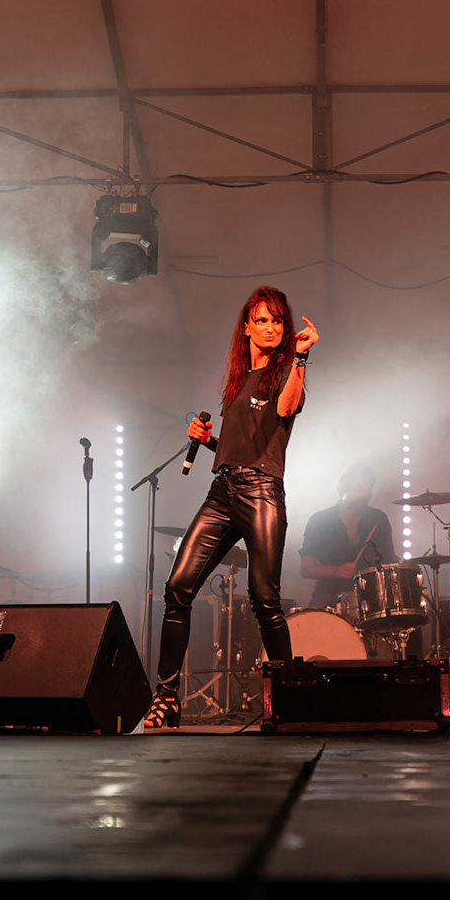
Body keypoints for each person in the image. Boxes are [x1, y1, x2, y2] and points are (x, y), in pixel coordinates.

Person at [145, 287, 317, 729]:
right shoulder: (237, 381)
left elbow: (287, 407)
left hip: (262, 492)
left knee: (264, 599)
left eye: (278, 321)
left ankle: (287, 701)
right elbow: (239, 447)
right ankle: (166, 700)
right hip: (223, 491)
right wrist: (208, 441)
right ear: (246, 328)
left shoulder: (287, 373)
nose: (272, 328)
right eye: (262, 320)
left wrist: (301, 358)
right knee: (178, 587)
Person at [299, 463, 394, 612]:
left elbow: (390, 561)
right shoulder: (320, 520)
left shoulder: (378, 519)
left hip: (371, 598)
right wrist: (336, 570)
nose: (365, 494)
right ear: (343, 488)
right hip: (329, 594)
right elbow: (306, 569)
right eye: (359, 488)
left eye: (368, 488)